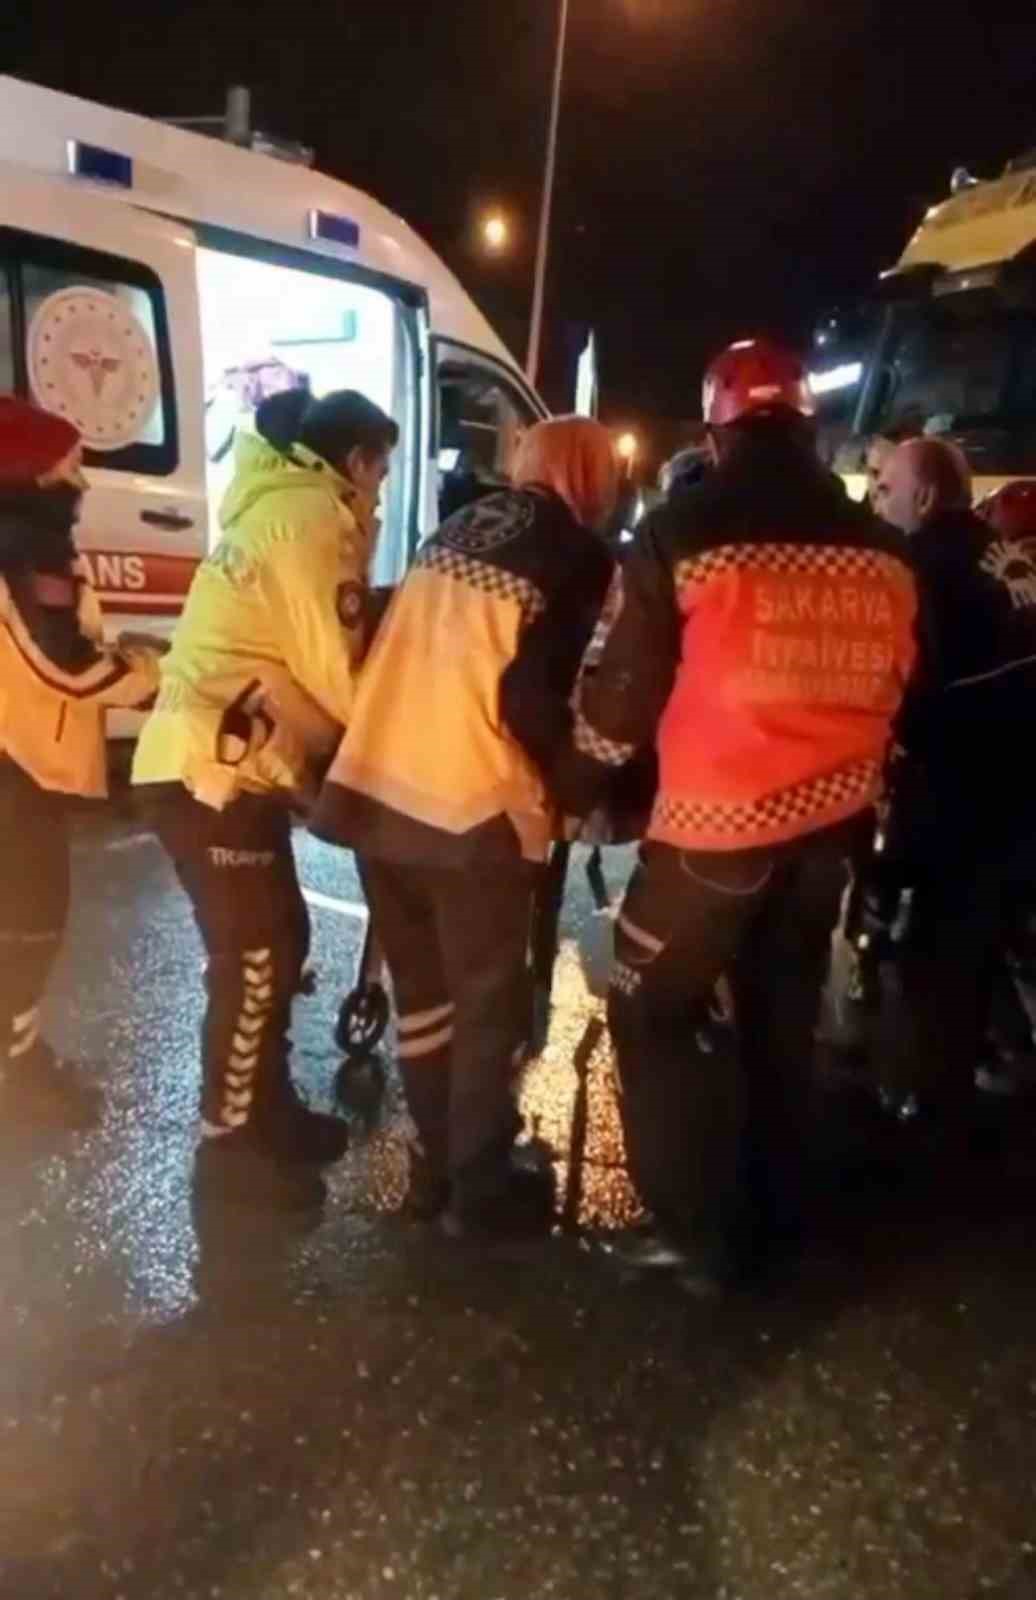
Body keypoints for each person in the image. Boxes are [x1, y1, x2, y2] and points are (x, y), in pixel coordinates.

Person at [566, 338, 917, 1287]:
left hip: (714, 836)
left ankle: (692, 1231)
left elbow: (623, 697)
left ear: (718, 433)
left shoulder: (681, 531)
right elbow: (901, 684)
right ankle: (775, 1219)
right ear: (807, 425)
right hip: (831, 832)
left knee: (651, 1010)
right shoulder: (885, 549)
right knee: (779, 1022)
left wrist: (577, 787)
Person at [311, 417, 619, 1239]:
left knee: (423, 999)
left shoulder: (456, 526)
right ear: (589, 475)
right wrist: (576, 782)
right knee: (487, 1003)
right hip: (470, 802)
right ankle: (479, 1189)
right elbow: (531, 694)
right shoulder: (575, 552)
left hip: (378, 786)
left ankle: (436, 1165)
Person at [133, 387, 399, 1209]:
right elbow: (339, 680)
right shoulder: (312, 521)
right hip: (209, 772)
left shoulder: (286, 506)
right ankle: (233, 1148)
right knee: (254, 959)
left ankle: (267, 1110)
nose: (382, 489)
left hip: (228, 762)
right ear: (356, 460)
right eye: (381, 471)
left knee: (281, 940)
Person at [0, 397, 162, 1129]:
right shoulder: (31, 545)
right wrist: (151, 675)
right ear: (34, 473)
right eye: (71, 468)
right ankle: (17, 1082)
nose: (83, 483)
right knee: (28, 926)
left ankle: (20, 1058)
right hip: (17, 767)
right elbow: (65, 664)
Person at [875, 446, 1036, 1140]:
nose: (877, 498)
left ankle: (935, 1105)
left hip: (959, 778)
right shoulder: (1003, 553)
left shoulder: (920, 564)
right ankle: (985, 1062)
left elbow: (910, 679)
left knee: (940, 941)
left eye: (886, 486)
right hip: (1019, 776)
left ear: (924, 497)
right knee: (988, 928)